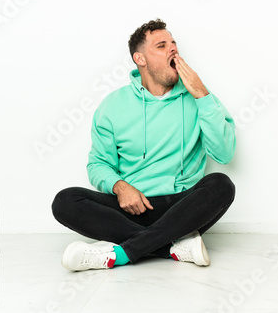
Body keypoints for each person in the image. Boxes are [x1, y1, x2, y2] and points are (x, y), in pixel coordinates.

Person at [52, 19, 236, 271]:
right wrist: (120, 187)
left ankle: (122, 254)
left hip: (182, 207)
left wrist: (202, 96)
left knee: (221, 185)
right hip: (132, 207)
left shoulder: (201, 98)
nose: (173, 49)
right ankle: (172, 247)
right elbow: (98, 164)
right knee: (65, 201)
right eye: (161, 46)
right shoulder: (113, 106)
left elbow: (225, 154)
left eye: (174, 44)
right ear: (140, 59)